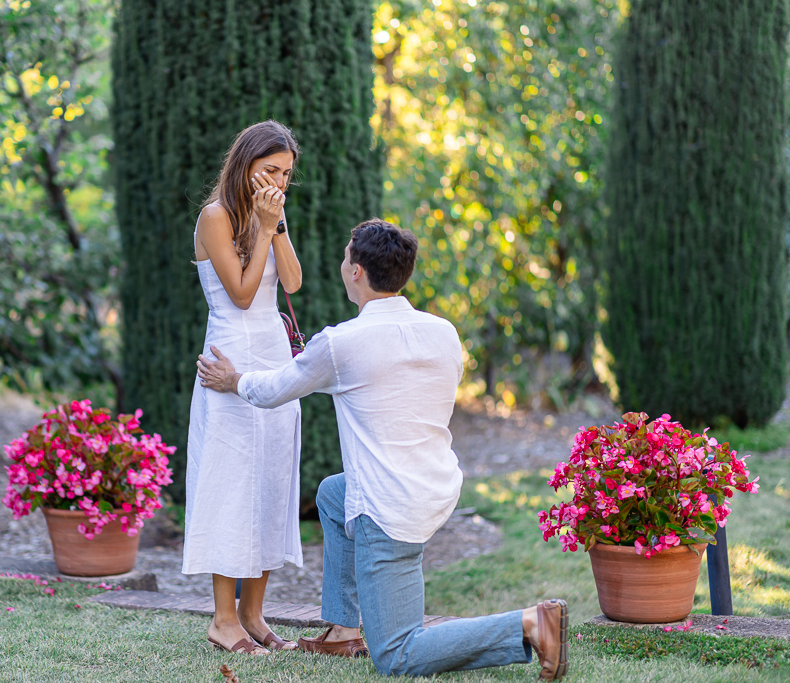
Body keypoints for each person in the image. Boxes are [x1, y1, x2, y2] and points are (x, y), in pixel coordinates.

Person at [196, 218, 569, 679]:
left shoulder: (341, 343)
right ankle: (340, 630)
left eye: (345, 256)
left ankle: (530, 626)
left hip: (388, 510)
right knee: (333, 496)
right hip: (435, 488)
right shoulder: (443, 332)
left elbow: (275, 389)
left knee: (397, 653)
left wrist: (233, 380)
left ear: (355, 271)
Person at [183, 120, 304, 656]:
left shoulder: (271, 213)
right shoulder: (215, 217)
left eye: (286, 173)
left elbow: (293, 282)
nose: (278, 179)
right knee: (231, 484)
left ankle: (254, 616)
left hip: (274, 357)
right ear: (247, 163)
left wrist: (275, 226)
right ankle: (223, 620)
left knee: (271, 481)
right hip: (231, 355)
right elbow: (241, 292)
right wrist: (259, 224)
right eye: (270, 169)